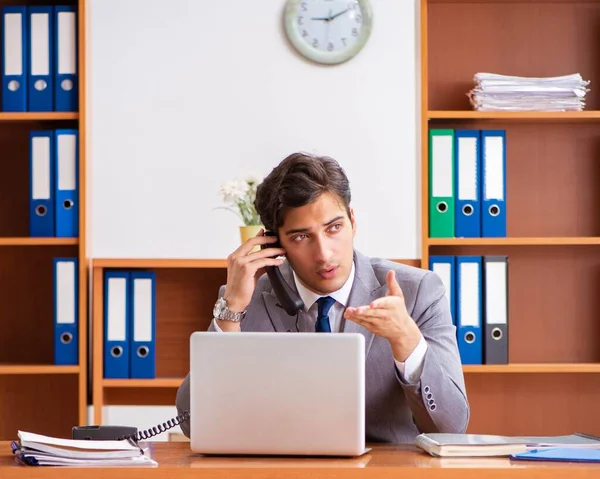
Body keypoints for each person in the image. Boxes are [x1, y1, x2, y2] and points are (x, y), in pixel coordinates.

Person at [176, 152, 469, 443]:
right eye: (301, 237)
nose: (324, 254)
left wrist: (407, 342)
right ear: (275, 244)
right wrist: (231, 311)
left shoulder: (419, 291)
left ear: (353, 221)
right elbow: (192, 423)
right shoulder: (246, 301)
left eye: (334, 228)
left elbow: (452, 427)